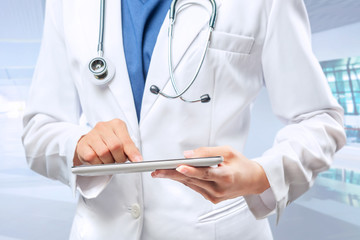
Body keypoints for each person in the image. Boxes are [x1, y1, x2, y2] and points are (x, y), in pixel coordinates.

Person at [22, 0, 346, 239]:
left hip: (218, 229)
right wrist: (78, 145)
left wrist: (263, 175)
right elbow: (40, 127)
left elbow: (320, 119)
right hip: (102, 229)